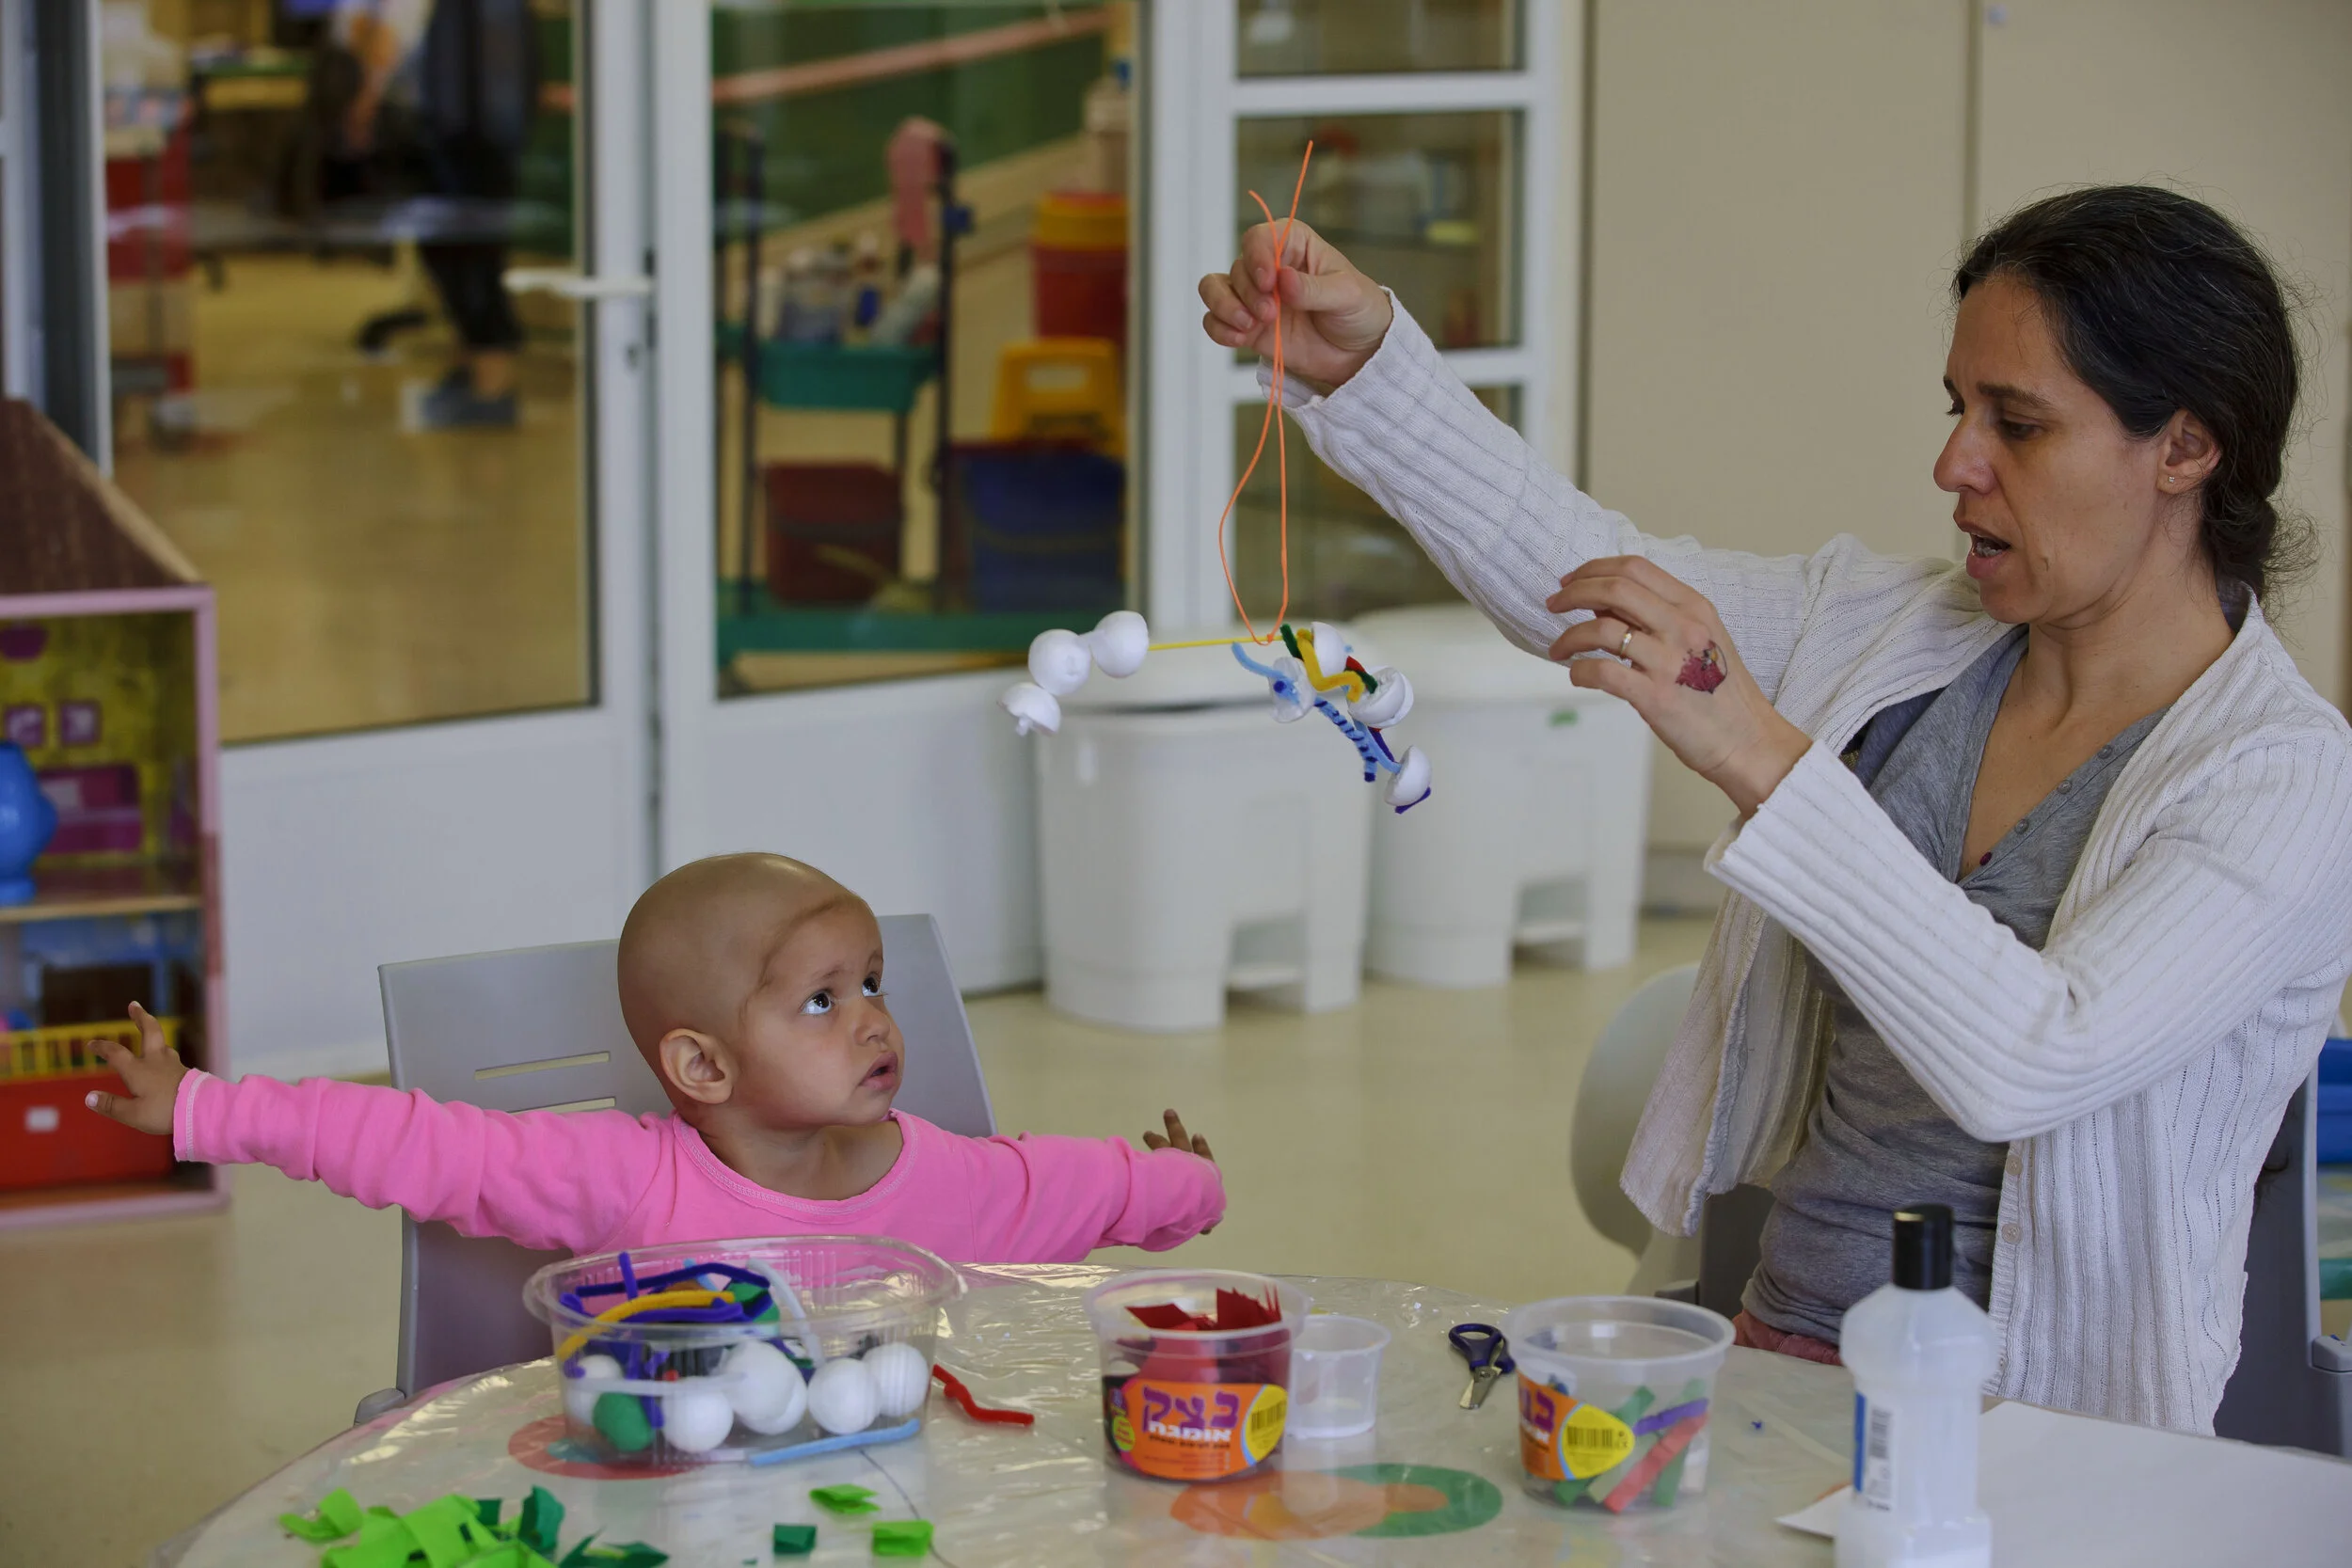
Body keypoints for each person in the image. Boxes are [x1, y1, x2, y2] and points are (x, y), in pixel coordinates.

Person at [1201, 186, 2352, 1433]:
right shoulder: (1902, 630)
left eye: (2017, 425)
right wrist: (1370, 368)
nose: (1954, 464)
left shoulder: (2281, 776)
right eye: (1958, 409)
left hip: (2045, 1440)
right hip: (1778, 1357)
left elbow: (2035, 1054)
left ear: (2185, 447)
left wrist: (1761, 752)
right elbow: (1591, 579)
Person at [87, 853, 1224, 1262]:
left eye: (871, 981)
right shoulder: (627, 1181)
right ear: (704, 1066)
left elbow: (1085, 1185)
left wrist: (1185, 1186)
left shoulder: (954, 1181)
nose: (874, 1018)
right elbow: (417, 1144)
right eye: (820, 999)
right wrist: (202, 1109)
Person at [340, 0, 537, 429]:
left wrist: (366, 102)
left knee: (470, 260)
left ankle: (491, 387)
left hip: (467, 138)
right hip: (466, 134)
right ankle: (471, 371)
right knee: (452, 255)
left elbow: (388, 48)